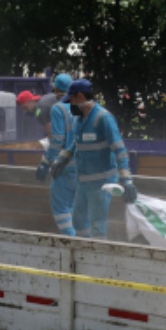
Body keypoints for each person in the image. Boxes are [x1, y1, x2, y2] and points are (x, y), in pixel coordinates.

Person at [49, 79, 137, 239]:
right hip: (84, 181)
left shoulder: (103, 118)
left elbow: (120, 151)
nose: (70, 105)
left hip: (102, 183)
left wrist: (127, 180)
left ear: (80, 97)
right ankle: (83, 250)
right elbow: (76, 144)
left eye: (72, 101)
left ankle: (96, 257)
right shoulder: (79, 120)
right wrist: (61, 159)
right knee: (78, 221)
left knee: (98, 224)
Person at [35, 73, 78, 235]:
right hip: (82, 168)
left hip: (64, 168)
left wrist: (45, 162)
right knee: (73, 207)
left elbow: (56, 140)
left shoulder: (57, 108)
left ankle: (72, 242)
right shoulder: (83, 108)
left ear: (55, 90)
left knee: (61, 209)